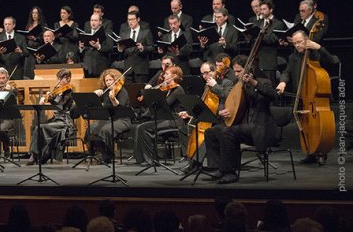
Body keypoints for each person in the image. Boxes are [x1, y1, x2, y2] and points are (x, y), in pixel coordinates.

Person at [204, 55, 279, 184]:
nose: (236, 74)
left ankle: (230, 172)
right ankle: (218, 167)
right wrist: (226, 111)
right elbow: (232, 103)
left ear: (249, 70)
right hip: (243, 126)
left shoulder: (263, 82)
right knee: (212, 131)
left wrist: (254, 83)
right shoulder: (238, 86)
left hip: (260, 128)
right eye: (235, 71)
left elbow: (274, 96)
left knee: (228, 132)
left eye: (239, 71)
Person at [276, 30, 338, 166]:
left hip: (316, 97)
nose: (297, 45)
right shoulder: (293, 57)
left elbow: (332, 61)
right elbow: (287, 72)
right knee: (305, 125)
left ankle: (321, 152)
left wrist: (319, 48)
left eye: (299, 42)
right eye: (295, 43)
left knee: (319, 126)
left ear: (306, 41)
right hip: (302, 97)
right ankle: (310, 151)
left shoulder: (315, 54)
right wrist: (283, 81)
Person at [133, 65, 187, 165]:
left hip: (175, 120)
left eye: (167, 74)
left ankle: (150, 159)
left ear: (174, 76)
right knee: (140, 127)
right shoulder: (167, 88)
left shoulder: (178, 90)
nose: (164, 76)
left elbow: (165, 104)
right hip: (165, 119)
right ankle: (143, 158)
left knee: (144, 128)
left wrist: (156, 94)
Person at [26, 68, 75, 165]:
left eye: (61, 79)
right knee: (37, 128)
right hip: (56, 119)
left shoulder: (69, 92)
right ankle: (37, 154)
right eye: (58, 79)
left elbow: (61, 106)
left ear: (68, 79)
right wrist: (45, 98)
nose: (59, 81)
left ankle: (36, 155)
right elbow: (52, 99)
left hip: (64, 121)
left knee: (41, 127)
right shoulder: (58, 90)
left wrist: (51, 99)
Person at [88, 68, 132, 164]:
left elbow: (121, 108)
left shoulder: (122, 91)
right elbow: (100, 106)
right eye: (106, 80)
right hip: (110, 119)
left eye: (110, 80)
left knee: (106, 130)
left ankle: (110, 155)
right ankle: (103, 153)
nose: (108, 82)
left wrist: (114, 100)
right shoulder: (106, 92)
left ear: (116, 79)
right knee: (92, 128)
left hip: (123, 120)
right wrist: (96, 95)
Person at [116, 10, 154, 84]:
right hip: (128, 69)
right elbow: (121, 50)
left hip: (141, 69)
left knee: (141, 92)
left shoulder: (146, 32)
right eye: (129, 19)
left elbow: (152, 48)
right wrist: (120, 49)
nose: (130, 22)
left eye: (132, 19)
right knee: (129, 92)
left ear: (138, 19)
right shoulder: (124, 33)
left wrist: (143, 48)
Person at [254, 0, 285, 85]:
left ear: (271, 10)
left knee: (269, 86)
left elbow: (271, 39)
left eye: (264, 9)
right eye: (261, 9)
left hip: (269, 61)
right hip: (257, 60)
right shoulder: (259, 23)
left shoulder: (278, 24)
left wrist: (259, 34)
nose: (262, 12)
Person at [78, 13, 113, 78]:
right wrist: (81, 48)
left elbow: (110, 48)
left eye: (95, 20)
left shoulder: (106, 34)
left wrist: (99, 47)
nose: (93, 22)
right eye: (92, 20)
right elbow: (82, 52)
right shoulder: (86, 33)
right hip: (87, 68)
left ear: (100, 22)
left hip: (100, 67)